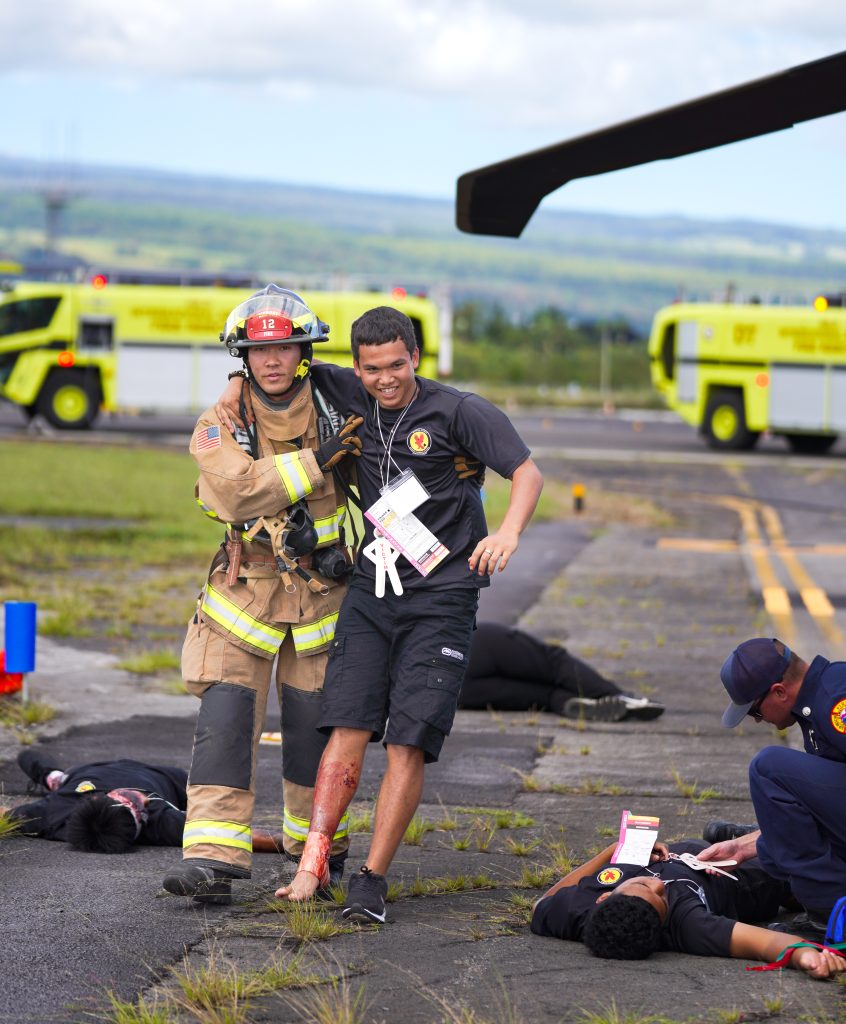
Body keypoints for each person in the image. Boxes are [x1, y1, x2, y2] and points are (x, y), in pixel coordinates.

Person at [221, 304, 543, 920]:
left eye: (397, 365)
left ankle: (371, 880)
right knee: (347, 726)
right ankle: (313, 865)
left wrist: (507, 534)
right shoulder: (343, 387)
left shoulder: (459, 411)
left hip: (442, 594)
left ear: (415, 358)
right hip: (373, 590)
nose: (385, 379)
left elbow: (527, 473)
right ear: (357, 366)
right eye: (372, 369)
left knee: (407, 741)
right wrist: (239, 383)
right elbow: (278, 369)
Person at [161, 286, 363, 905]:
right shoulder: (221, 422)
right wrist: (315, 463)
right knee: (223, 724)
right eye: (257, 349)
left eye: (283, 347)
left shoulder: (341, 408)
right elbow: (231, 492)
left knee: (314, 730)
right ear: (241, 357)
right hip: (240, 599)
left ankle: (317, 854)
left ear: (304, 351)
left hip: (321, 598)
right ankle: (213, 862)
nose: (271, 360)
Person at [530, 833, 846, 979]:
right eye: (662, 897)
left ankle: (743, 833)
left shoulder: (579, 911)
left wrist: (612, 851)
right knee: (810, 851)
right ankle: (755, 837)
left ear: (603, 898)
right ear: (663, 922)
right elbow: (767, 943)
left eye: (641, 885)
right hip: (744, 876)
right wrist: (808, 956)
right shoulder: (689, 925)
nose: (657, 883)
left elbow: (541, 905)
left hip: (703, 849)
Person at [697, 637, 846, 940]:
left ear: (779, 692)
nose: (756, 721)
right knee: (780, 823)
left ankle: (830, 912)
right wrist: (747, 846)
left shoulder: (836, 703)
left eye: (755, 711)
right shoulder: (819, 698)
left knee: (769, 767)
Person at [1, 748, 285, 858]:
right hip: (167, 778)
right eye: (141, 809)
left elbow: (7, 815)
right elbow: (237, 836)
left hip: (78, 777)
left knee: (30, 759)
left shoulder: (53, 815)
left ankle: (53, 777)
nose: (143, 802)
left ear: (101, 799)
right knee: (210, 793)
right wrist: (292, 842)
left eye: (130, 801)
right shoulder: (161, 821)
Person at [459, 622, 664, 721]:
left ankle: (567, 703)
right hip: (468, 643)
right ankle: (618, 697)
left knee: (541, 697)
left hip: (457, 689)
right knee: (553, 663)